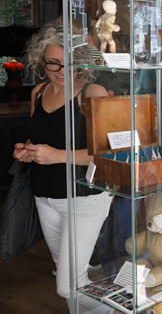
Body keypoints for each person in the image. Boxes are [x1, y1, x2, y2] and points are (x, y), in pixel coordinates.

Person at [13, 25, 112, 312]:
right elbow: (40, 139)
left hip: (86, 197)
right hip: (45, 195)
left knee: (66, 284)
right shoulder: (38, 93)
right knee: (72, 276)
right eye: (53, 62)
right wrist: (28, 150)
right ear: (41, 62)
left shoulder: (93, 93)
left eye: (69, 62)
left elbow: (105, 156)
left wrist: (55, 155)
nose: (61, 69)